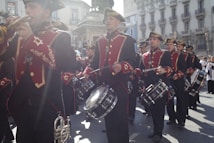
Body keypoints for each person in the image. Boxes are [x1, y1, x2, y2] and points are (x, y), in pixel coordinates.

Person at [7, 0, 77, 143]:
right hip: (23, 109)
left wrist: (31, 38)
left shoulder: (61, 36)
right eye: (26, 7)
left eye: (32, 7)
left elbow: (58, 62)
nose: (27, 11)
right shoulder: (19, 37)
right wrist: (6, 32)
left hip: (48, 109)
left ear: (46, 12)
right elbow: (3, 54)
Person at [83, 8, 136, 143]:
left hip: (120, 86)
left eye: (111, 19)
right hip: (103, 85)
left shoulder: (127, 40)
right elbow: (94, 63)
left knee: (120, 120)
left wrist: (122, 66)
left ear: (118, 22)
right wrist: (87, 71)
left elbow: (132, 62)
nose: (107, 21)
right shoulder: (100, 41)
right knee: (108, 121)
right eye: (106, 19)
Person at [141, 32, 172, 142]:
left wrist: (164, 70)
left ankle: (158, 132)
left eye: (154, 39)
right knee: (153, 111)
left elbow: (170, 68)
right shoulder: (144, 56)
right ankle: (155, 130)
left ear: (159, 41)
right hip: (149, 87)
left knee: (159, 110)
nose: (152, 41)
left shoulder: (165, 54)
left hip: (160, 86)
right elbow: (142, 72)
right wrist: (143, 85)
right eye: (150, 39)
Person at [164, 38, 187, 127]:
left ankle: (181, 119)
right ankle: (172, 118)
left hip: (178, 80)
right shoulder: (165, 55)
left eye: (170, 44)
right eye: (167, 44)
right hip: (168, 80)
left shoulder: (179, 55)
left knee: (180, 100)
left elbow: (183, 68)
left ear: (174, 45)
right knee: (169, 100)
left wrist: (178, 74)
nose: (168, 46)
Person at [0, 22, 15, 143]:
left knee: (2, 114)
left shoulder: (9, 59)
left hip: (5, 92)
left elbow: (10, 76)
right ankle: (8, 136)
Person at [128, 41, 148, 124]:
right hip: (126, 78)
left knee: (132, 99)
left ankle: (131, 116)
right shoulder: (125, 56)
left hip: (134, 79)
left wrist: (134, 74)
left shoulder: (139, 56)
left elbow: (140, 68)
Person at [176, 39, 193, 119]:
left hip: (185, 77)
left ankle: (185, 112)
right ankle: (176, 115)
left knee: (185, 97)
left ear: (183, 47)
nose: (177, 47)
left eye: (179, 46)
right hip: (176, 78)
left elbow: (191, 67)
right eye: (177, 46)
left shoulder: (187, 55)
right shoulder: (174, 54)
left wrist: (185, 72)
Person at [186, 45, 202, 110]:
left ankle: (194, 104)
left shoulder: (194, 57)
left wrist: (195, 69)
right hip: (187, 76)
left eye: (190, 50)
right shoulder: (184, 56)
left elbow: (199, 66)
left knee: (194, 91)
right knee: (188, 91)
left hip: (194, 75)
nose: (189, 51)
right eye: (187, 50)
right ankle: (189, 104)